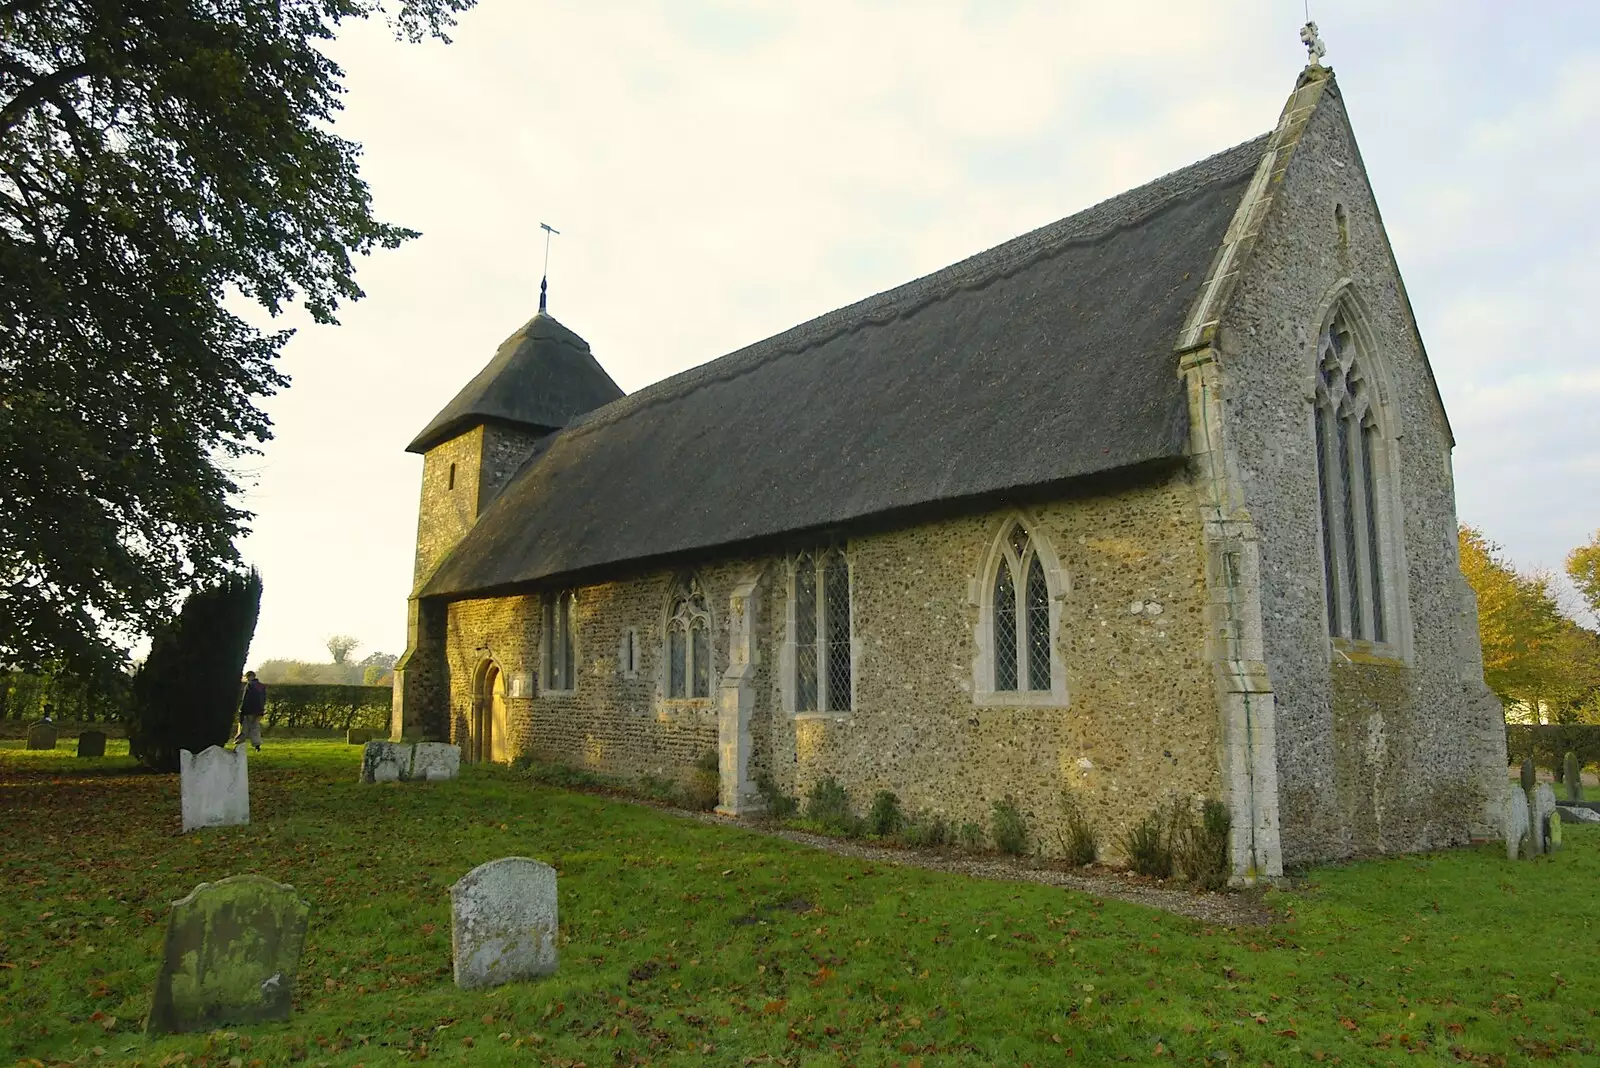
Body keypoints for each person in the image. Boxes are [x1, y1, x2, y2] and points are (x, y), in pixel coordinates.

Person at [233, 671, 267, 752]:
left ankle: (238, 745)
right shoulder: (261, 686)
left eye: (247, 677)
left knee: (244, 728)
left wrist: (242, 710)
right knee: (255, 728)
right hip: (259, 711)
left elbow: (246, 699)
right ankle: (257, 746)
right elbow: (263, 699)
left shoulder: (249, 686)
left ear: (249, 676)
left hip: (248, 711)